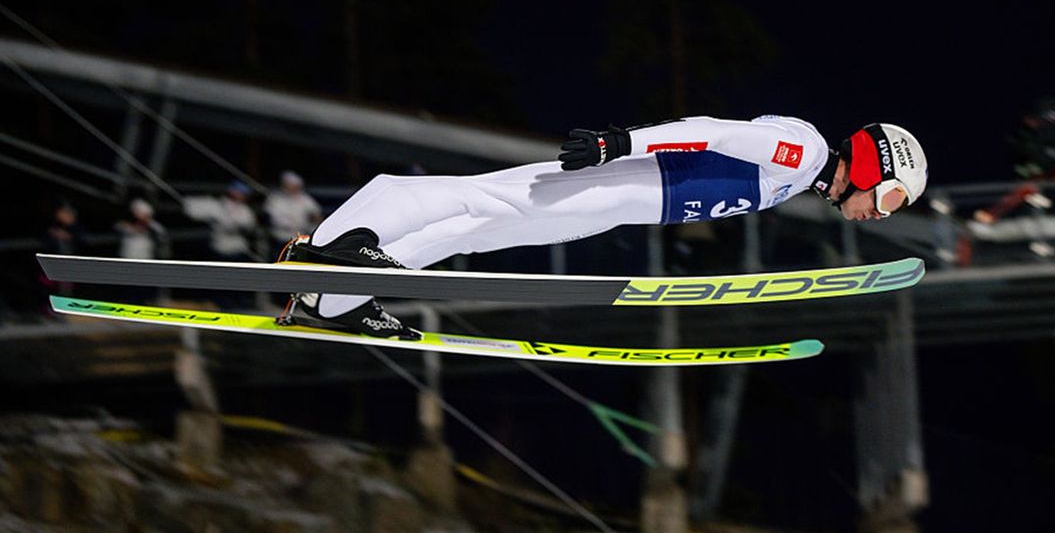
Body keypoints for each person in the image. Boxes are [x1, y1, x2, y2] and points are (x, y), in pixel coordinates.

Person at [278, 116, 928, 339]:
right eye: (893, 197)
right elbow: (712, 132)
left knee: (478, 230)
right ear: (874, 167)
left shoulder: (803, 174)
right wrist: (619, 144)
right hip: (626, 181)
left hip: (626, 202)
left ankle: (334, 301)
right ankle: (333, 249)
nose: (883, 212)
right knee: (484, 201)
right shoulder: (805, 152)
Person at [263, 171, 323, 246]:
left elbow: (315, 213)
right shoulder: (274, 199)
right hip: (282, 236)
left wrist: (314, 217)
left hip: (302, 236)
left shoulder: (304, 197)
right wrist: (298, 223)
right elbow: (275, 220)